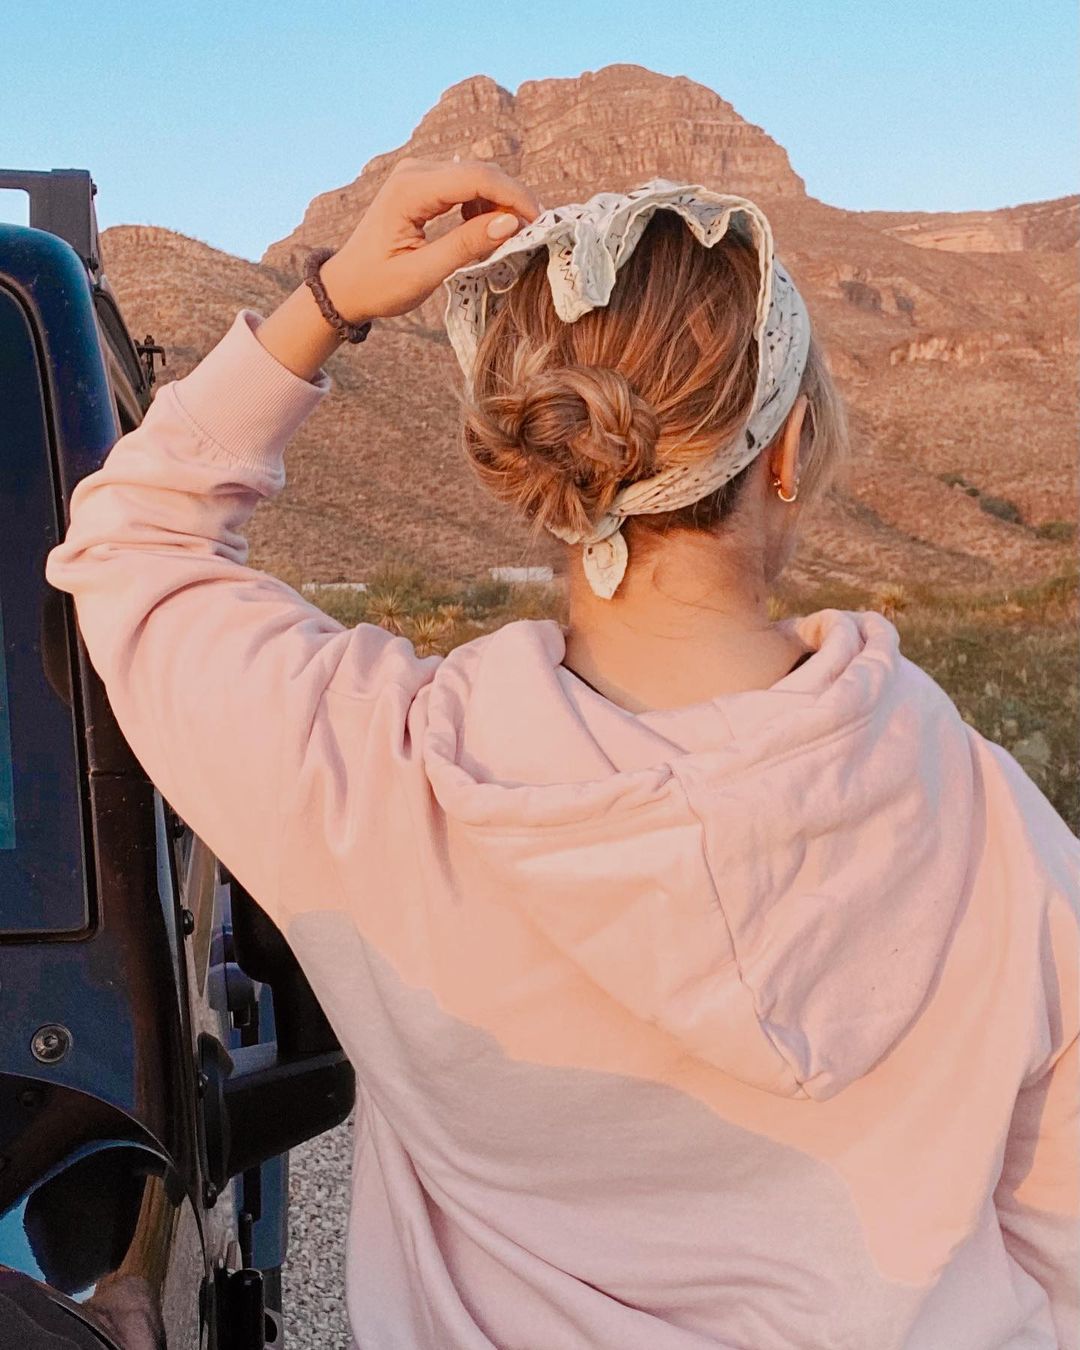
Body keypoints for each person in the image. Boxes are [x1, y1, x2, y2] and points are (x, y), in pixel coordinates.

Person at [45, 157, 1078, 1350]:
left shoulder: (375, 771)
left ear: (543, 473)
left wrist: (328, 304)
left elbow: (130, 545)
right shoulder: (991, 822)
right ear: (786, 454)